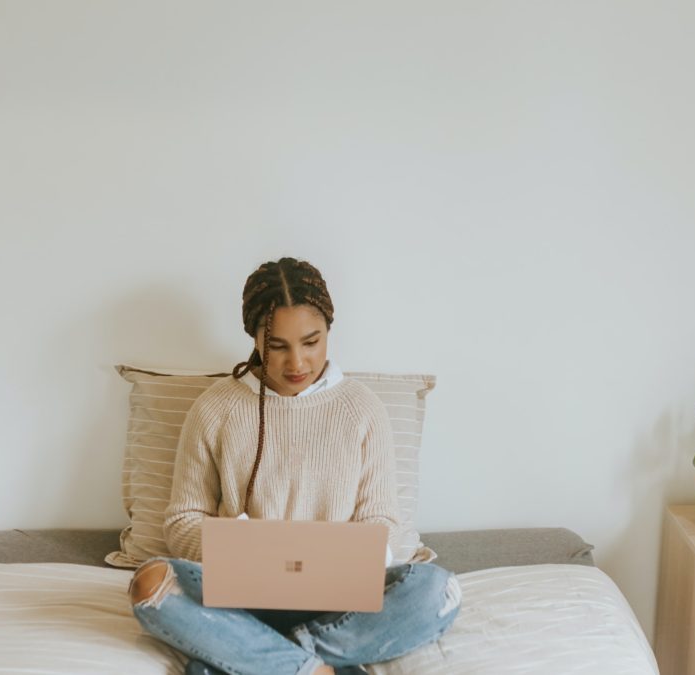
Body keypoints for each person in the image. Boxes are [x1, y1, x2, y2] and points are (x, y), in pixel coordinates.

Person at [129, 257, 460, 675]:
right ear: (253, 336)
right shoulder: (214, 408)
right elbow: (181, 521)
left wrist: (349, 559)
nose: (297, 363)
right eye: (277, 345)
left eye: (311, 342)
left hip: (339, 601)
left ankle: (262, 657)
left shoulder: (362, 409)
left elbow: (382, 519)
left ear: (329, 333)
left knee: (438, 590)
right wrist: (241, 545)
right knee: (150, 584)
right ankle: (315, 666)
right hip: (240, 597)